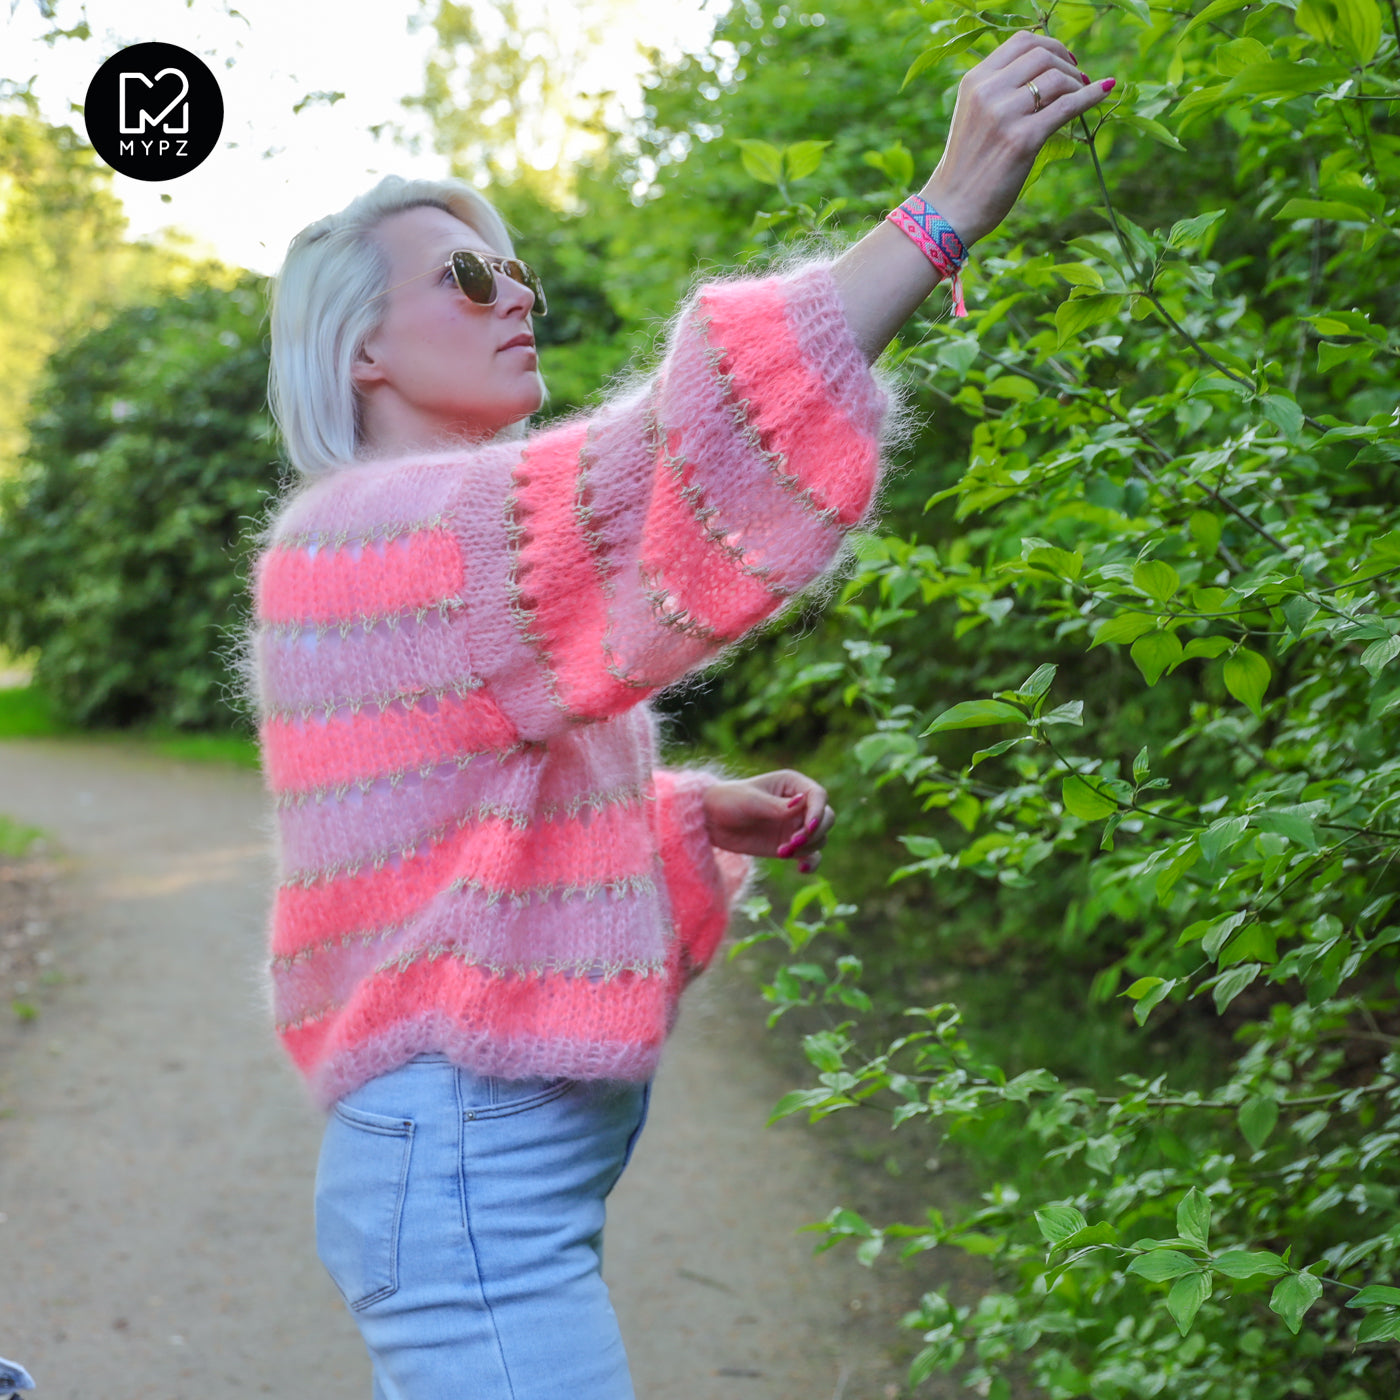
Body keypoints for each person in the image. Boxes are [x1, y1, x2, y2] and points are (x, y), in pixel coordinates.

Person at [251, 31, 1113, 1400]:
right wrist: (942, 214)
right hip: (469, 1188)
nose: (514, 294)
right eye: (467, 276)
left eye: (518, 271)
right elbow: (673, 450)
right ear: (361, 346)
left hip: (468, 1176)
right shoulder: (392, 532)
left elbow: (438, 832)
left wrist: (677, 810)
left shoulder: (379, 545)